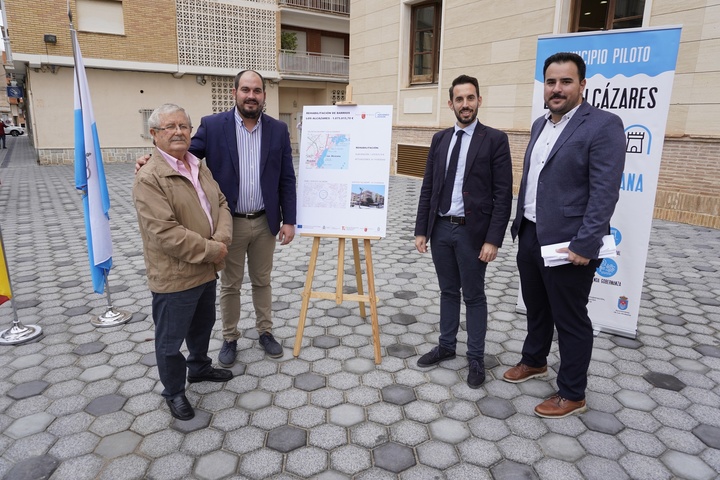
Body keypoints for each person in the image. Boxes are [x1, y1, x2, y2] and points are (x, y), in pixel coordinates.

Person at [137, 70, 297, 366]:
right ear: (234, 92)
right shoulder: (212, 126)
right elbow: (183, 154)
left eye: (257, 91)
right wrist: (153, 157)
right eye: (246, 90)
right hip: (228, 224)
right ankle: (230, 336)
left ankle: (265, 331)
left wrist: (289, 220)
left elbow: (287, 177)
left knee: (262, 280)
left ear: (264, 95)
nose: (252, 95)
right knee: (230, 284)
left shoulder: (277, 130)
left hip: (265, 222)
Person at [503, 52, 626, 418]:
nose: (557, 89)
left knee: (570, 318)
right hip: (531, 232)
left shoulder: (603, 125)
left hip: (569, 244)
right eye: (551, 82)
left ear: (582, 84)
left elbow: (605, 191)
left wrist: (585, 244)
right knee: (536, 305)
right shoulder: (542, 124)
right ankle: (535, 360)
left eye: (566, 81)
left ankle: (572, 392)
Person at [133, 103, 233, 421]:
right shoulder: (149, 178)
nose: (178, 131)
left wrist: (223, 239)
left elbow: (220, 201)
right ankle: (174, 391)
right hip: (175, 274)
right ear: (154, 135)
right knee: (170, 339)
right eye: (169, 127)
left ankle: (200, 368)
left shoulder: (197, 164)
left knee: (202, 325)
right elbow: (165, 233)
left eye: (183, 126)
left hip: (205, 268)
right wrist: (212, 250)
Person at [414, 74, 513, 389]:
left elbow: (503, 194)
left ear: (479, 101)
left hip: (474, 234)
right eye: (459, 99)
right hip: (441, 228)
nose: (465, 104)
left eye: (471, 98)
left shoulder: (495, 139)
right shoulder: (440, 139)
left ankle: (475, 357)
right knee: (447, 291)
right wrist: (421, 230)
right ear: (451, 103)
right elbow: (428, 186)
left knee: (474, 295)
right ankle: (446, 345)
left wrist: (493, 239)